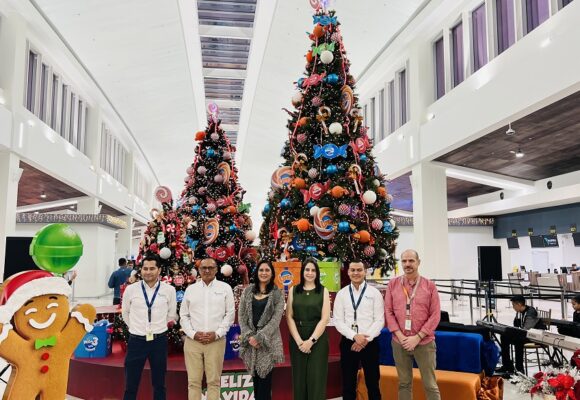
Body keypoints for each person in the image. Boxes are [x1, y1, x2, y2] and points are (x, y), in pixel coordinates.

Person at [384, 249, 441, 400]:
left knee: (430, 384)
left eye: (411, 261)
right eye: (404, 261)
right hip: (399, 342)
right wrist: (400, 336)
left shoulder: (430, 286)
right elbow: (388, 312)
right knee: (404, 383)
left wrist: (417, 337)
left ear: (418, 262)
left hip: (424, 343)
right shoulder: (393, 284)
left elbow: (435, 315)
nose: (407, 264)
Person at [121, 254, 178, 400]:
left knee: (159, 384)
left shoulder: (169, 290)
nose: (148, 271)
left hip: (159, 341)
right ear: (141, 270)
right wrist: (136, 328)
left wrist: (157, 327)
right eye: (145, 268)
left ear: (159, 270)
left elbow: (171, 314)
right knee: (130, 384)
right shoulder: (131, 290)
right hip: (136, 341)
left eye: (152, 268)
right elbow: (125, 313)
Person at [180, 258, 235, 400]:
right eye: (204, 268)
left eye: (211, 268)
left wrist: (217, 334)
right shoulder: (191, 289)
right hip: (193, 342)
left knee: (214, 382)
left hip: (216, 341)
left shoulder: (225, 288)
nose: (207, 270)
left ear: (216, 269)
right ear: (199, 270)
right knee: (193, 382)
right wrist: (193, 334)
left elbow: (230, 314)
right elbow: (183, 315)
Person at [333, 260, 384, 400]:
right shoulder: (342, 294)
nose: (356, 273)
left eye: (359, 270)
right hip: (349, 343)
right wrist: (355, 336)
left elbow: (379, 320)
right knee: (348, 385)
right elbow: (338, 320)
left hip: (370, 343)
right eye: (353, 270)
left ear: (365, 272)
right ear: (348, 272)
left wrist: (365, 339)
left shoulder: (375, 293)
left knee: (373, 384)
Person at [238, 260, 285, 400]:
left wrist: (259, 337)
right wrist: (250, 337)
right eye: (261, 270)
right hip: (250, 342)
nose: (264, 273)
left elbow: (276, 320)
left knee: (265, 383)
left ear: (272, 273)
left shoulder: (277, 293)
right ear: (257, 272)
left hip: (268, 343)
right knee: (256, 383)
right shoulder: (247, 291)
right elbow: (241, 316)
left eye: (267, 270)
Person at [287, 258, 330, 400]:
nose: (310, 273)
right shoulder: (294, 290)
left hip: (317, 338)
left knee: (316, 378)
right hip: (297, 337)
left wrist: (311, 341)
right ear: (302, 271)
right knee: (299, 379)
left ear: (317, 273)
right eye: (307, 269)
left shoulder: (323, 291)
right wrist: (299, 341)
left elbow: (325, 319)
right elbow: (289, 317)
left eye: (313, 270)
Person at [496, 295, 545, 376]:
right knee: (504, 337)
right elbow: (517, 326)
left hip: (535, 336)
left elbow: (526, 329)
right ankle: (507, 366)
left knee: (518, 341)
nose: (513, 307)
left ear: (519, 304)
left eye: (514, 305)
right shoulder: (519, 313)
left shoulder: (530, 312)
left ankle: (519, 369)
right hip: (525, 334)